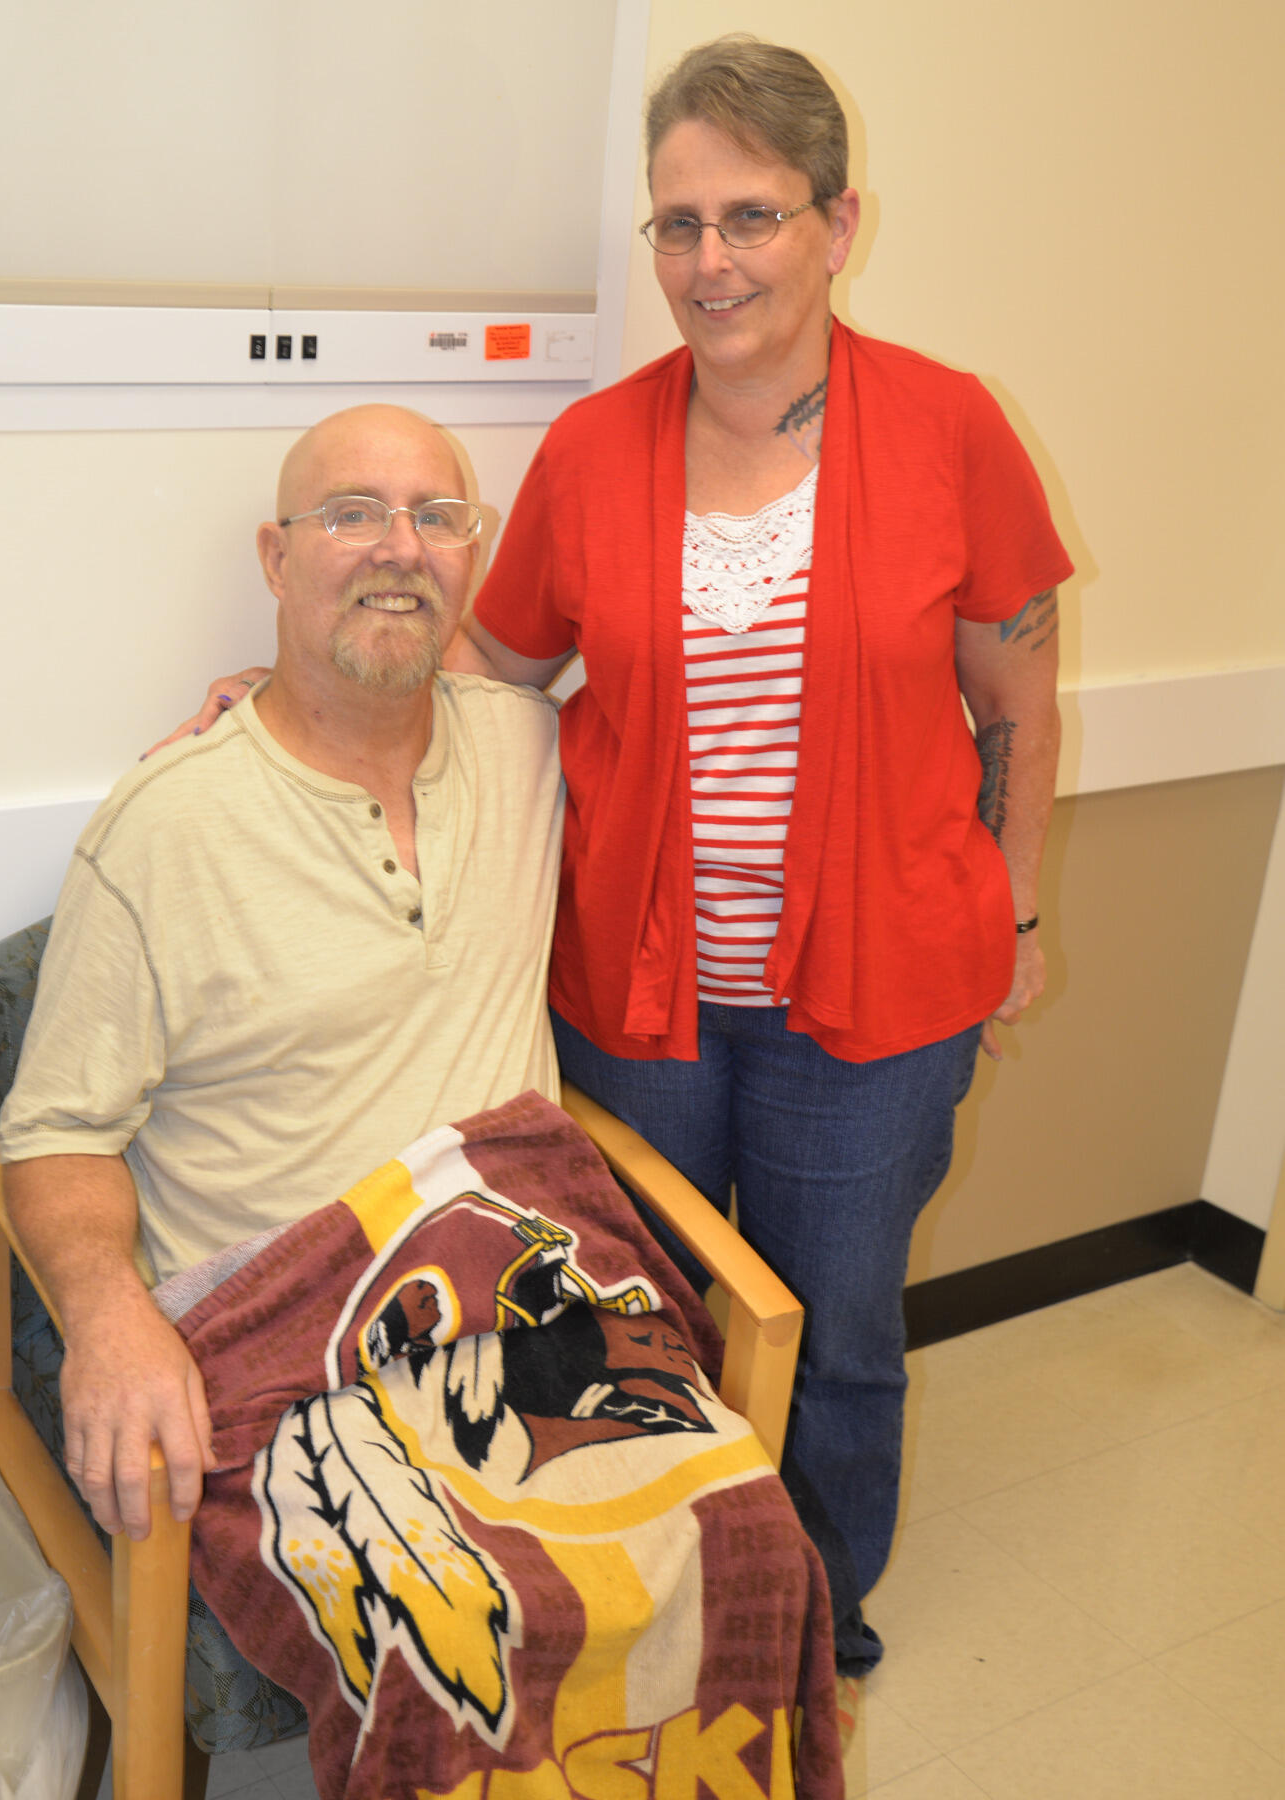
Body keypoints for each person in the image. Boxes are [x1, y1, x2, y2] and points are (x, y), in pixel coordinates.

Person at [169, 39, 1072, 1676]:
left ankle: (809, 1619)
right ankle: (673, 1618)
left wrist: (1011, 910)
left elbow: (1018, 689)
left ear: (836, 221)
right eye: (676, 224)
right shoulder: (594, 450)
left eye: (750, 217)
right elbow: (488, 683)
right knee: (635, 1333)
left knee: (842, 1335)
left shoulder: (949, 429)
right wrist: (282, 701)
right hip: (640, 998)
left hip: (880, 1006)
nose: (708, 263)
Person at [0, 404, 564, 1543]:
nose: (399, 548)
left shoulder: (533, 749)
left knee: (740, 1558)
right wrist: (108, 1317)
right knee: (463, 1646)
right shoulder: (168, 823)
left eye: (436, 519)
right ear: (276, 556)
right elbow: (56, 1128)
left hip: (527, 1306)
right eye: (351, 515)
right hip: (291, 1343)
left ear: (470, 558)